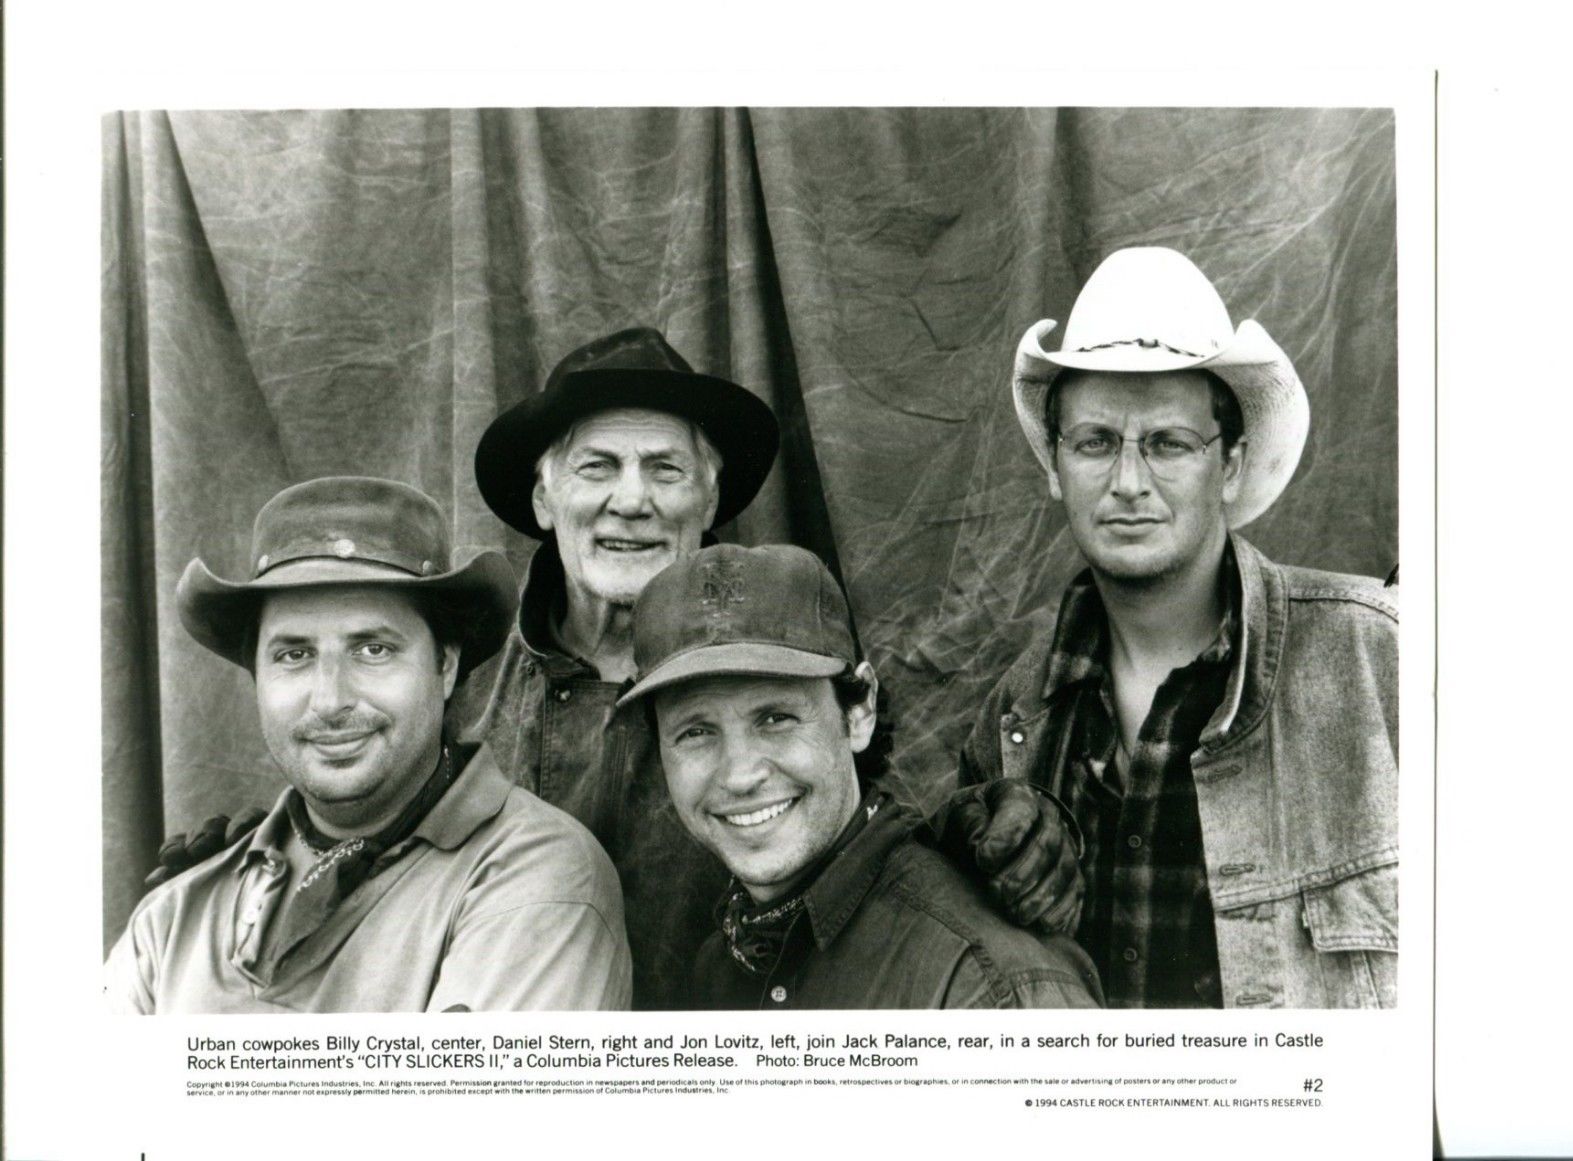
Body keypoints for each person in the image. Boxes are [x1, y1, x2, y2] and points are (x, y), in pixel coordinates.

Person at [456, 326, 1082, 1007]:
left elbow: (872, 847)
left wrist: (987, 832)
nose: (632, 500)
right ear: (545, 499)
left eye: (665, 468)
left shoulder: (789, 652)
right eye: (597, 467)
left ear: (712, 497)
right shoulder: (469, 692)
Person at [960, 247, 1398, 1009]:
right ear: (1055, 466)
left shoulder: (1378, 658)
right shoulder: (1012, 721)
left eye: (1167, 443)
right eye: (1096, 441)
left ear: (1228, 465)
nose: (1129, 482)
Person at [105, 477, 631, 1013]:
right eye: (293, 655)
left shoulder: (537, 875)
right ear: (256, 677)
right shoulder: (171, 921)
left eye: (373, 649)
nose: (330, 700)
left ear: (444, 665)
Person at [616, 543, 1103, 1009]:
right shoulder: (722, 964)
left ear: (860, 710)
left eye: (775, 718)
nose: (740, 775)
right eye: (696, 732)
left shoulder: (983, 980)